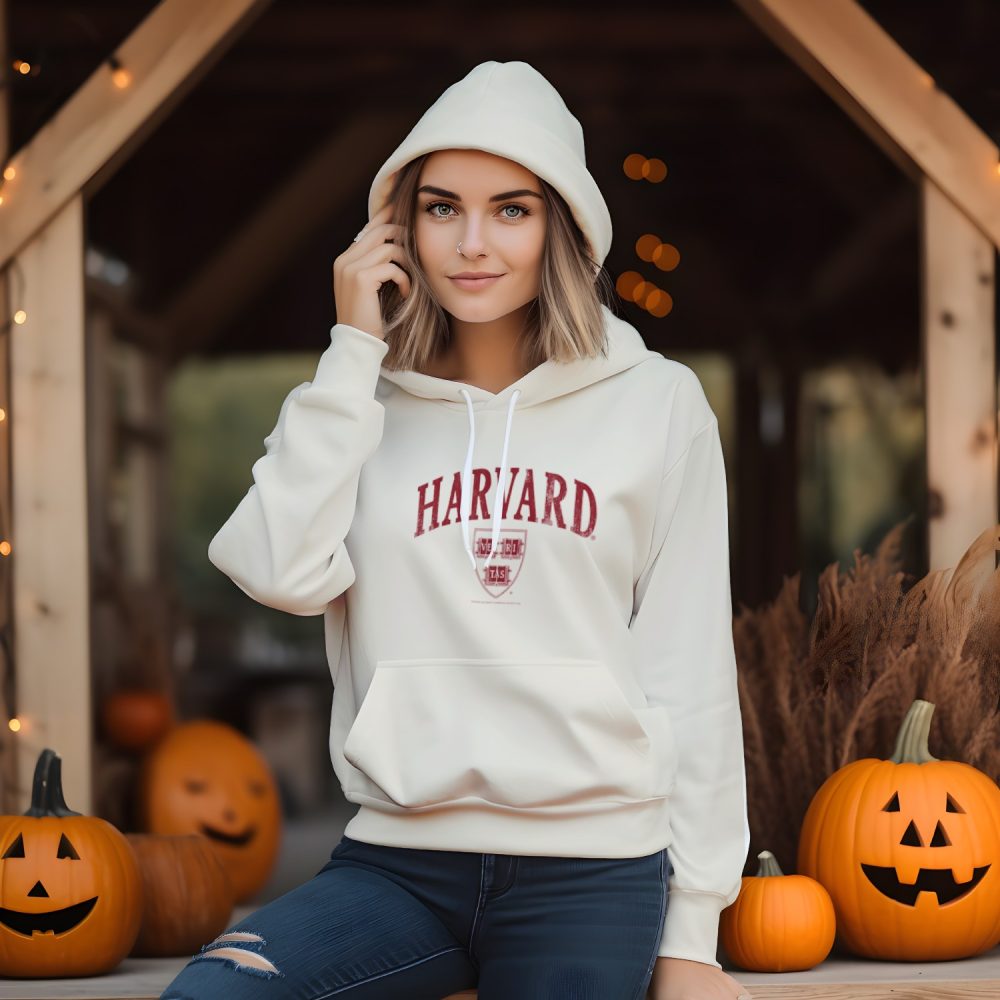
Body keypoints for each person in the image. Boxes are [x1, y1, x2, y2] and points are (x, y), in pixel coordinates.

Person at [162, 60, 752, 1000]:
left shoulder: (658, 404)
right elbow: (277, 567)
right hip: (396, 863)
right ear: (398, 225)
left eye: (511, 209)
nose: (473, 243)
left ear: (562, 222)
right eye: (442, 208)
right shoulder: (350, 401)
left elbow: (689, 671)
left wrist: (693, 937)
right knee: (213, 995)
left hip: (592, 869)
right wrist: (354, 351)